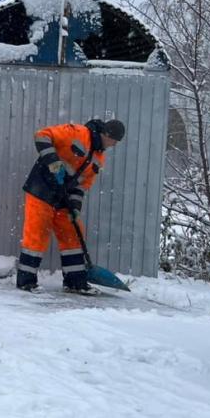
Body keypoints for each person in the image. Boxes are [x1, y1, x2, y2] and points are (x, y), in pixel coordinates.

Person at [16, 118, 125, 293]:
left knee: (73, 234)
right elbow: (42, 136)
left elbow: (81, 186)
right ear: (106, 134)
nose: (113, 145)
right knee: (37, 234)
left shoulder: (98, 159)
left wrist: (74, 207)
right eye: (114, 141)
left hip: (63, 197)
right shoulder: (77, 133)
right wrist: (53, 162)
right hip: (41, 189)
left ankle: (75, 282)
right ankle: (26, 282)